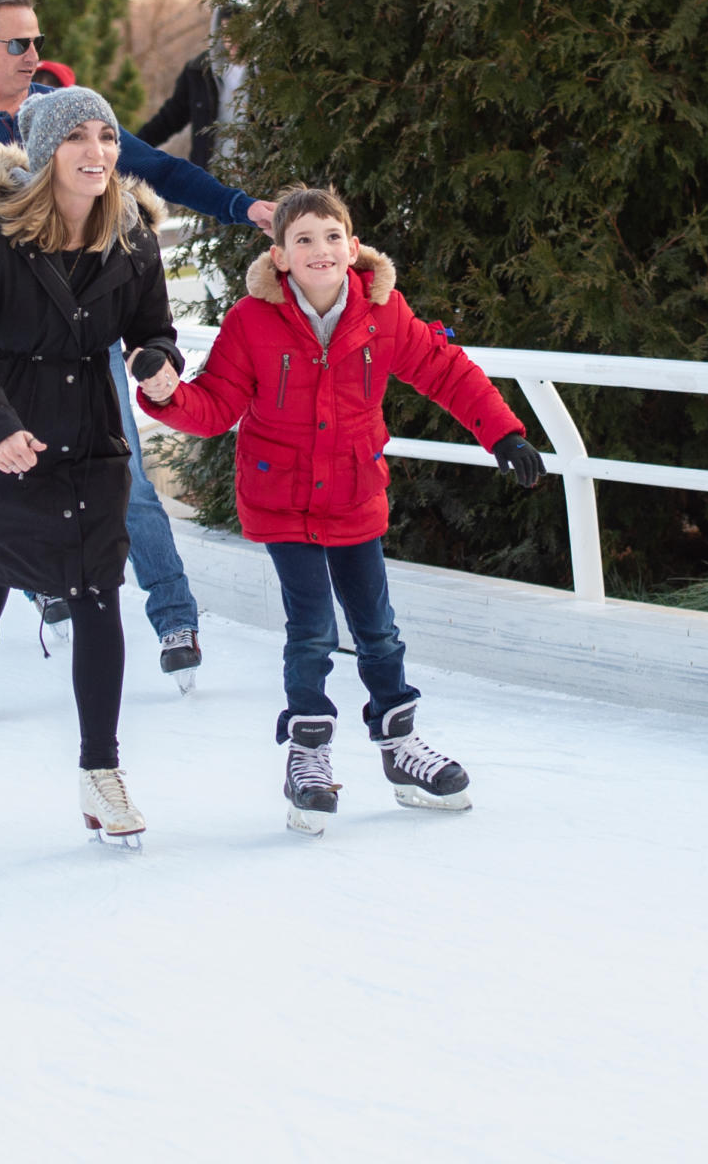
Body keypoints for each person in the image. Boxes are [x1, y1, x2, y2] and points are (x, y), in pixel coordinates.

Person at [0, 0, 274, 693]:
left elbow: (160, 170)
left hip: (77, 340)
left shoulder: (73, 118)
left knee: (126, 478)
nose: (35, 54)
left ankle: (174, 614)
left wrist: (243, 206)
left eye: (36, 40)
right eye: (18, 44)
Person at [136, 186, 547, 835]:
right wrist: (164, 392)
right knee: (315, 629)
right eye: (303, 240)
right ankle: (309, 751)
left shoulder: (382, 313)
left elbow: (446, 370)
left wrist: (504, 434)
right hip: (281, 497)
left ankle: (399, 744)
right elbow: (214, 407)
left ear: (352, 248)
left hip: (354, 492)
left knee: (378, 629)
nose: (319, 250)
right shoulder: (252, 321)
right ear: (280, 257)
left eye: (331, 238)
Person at [0, 88, 178, 845]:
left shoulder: (131, 235)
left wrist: (155, 362)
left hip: (85, 439)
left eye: (107, 137)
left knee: (99, 594)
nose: (96, 152)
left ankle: (101, 771)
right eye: (77, 139)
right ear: (43, 153)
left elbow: (151, 328)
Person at [135, 2, 247, 171]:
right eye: (227, 30)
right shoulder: (199, 71)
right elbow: (169, 118)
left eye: (241, 30)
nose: (234, 38)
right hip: (211, 178)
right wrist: (130, 147)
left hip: (256, 178)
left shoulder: (266, 73)